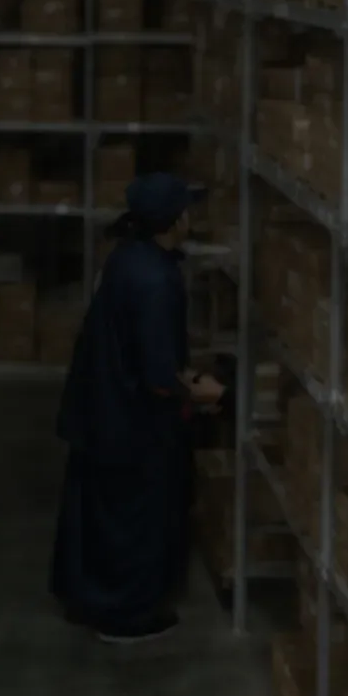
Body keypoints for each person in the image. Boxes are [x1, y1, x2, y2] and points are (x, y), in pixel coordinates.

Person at [49, 170, 223, 643]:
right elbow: (158, 376)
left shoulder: (129, 259)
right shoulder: (155, 281)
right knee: (135, 517)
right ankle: (123, 616)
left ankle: (87, 599)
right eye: (188, 209)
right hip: (129, 421)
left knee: (94, 511)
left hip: (100, 408)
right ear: (174, 219)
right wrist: (201, 392)